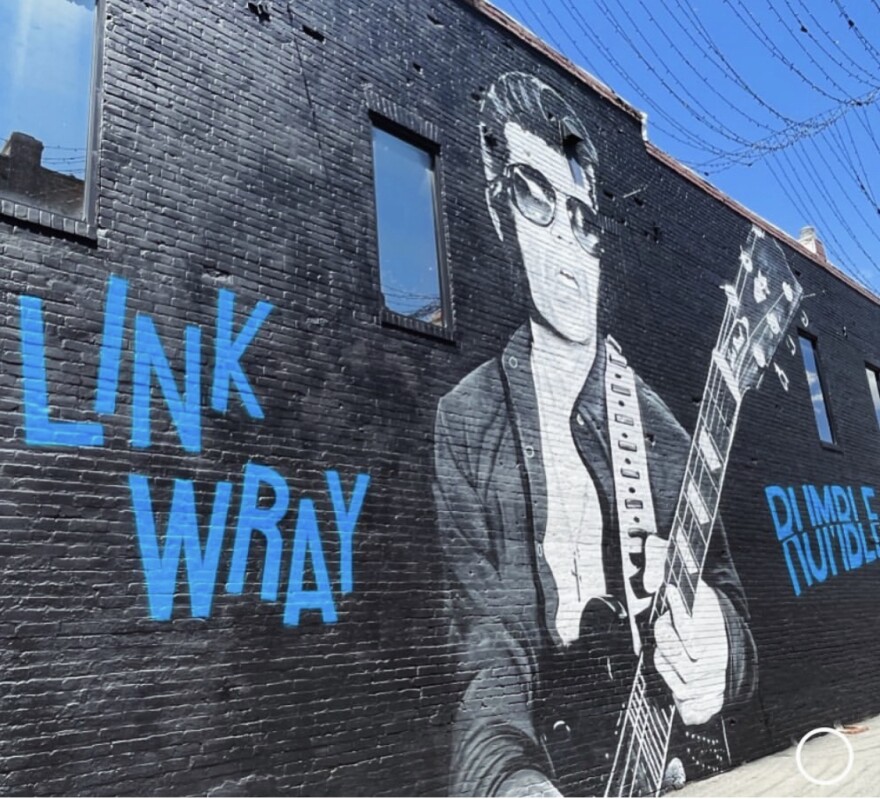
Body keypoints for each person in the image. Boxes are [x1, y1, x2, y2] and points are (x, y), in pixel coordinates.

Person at [433, 72, 757, 797]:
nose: (567, 243)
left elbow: (732, 603)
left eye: (582, 216)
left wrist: (721, 648)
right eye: (535, 198)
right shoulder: (467, 419)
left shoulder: (665, 432)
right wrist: (506, 779)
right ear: (498, 212)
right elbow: (486, 648)